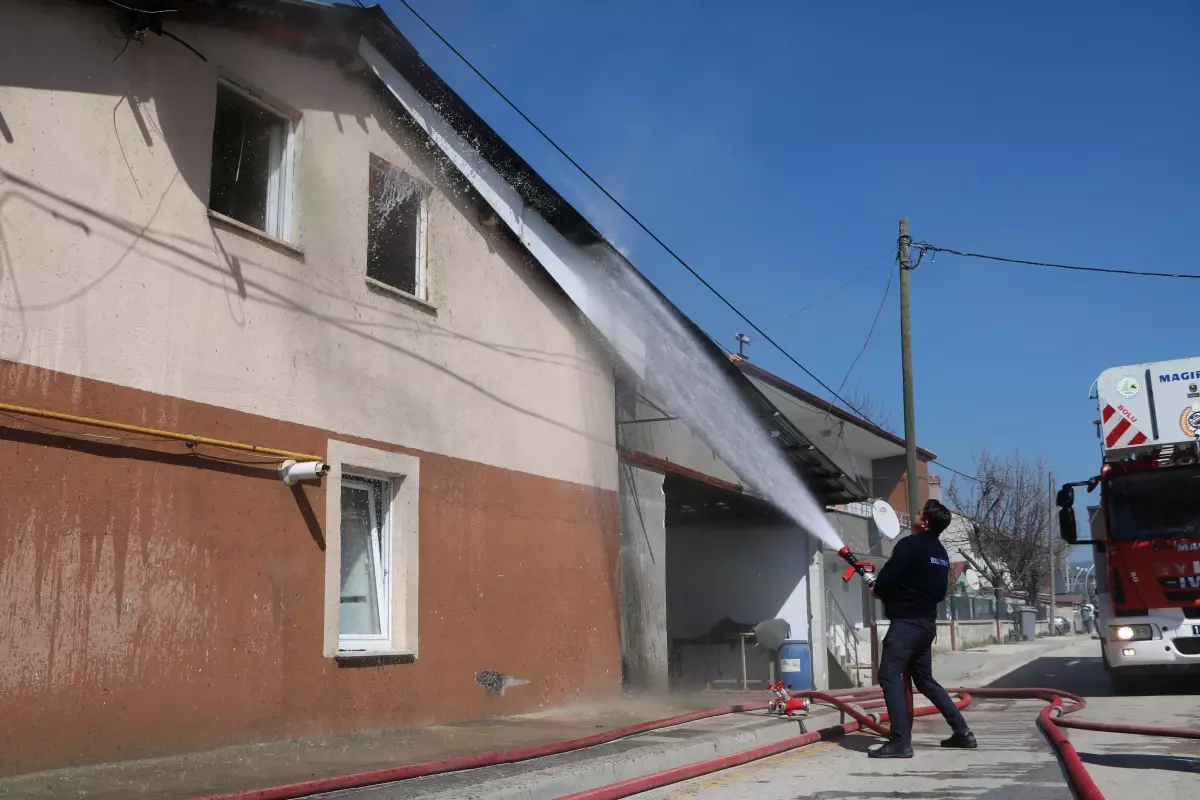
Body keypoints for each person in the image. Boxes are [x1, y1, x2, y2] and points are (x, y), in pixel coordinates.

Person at [868, 499, 976, 758]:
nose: (915, 515)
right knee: (925, 680)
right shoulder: (941, 554)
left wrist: (880, 591)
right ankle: (963, 733)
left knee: (889, 676)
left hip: (906, 624)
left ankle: (900, 742)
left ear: (925, 522)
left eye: (918, 512)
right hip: (927, 625)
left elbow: (887, 581)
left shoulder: (909, 545)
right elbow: (938, 592)